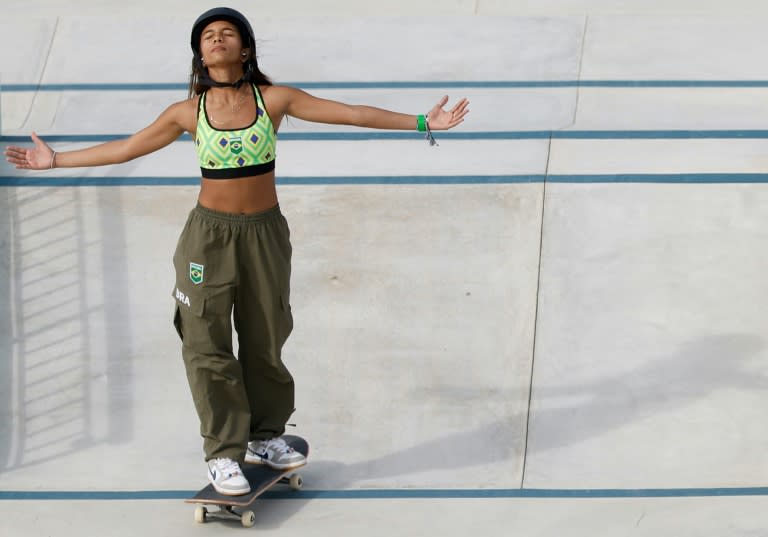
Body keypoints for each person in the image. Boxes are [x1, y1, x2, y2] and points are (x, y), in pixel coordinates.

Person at [5, 7, 470, 496]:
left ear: (245, 49)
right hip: (209, 238)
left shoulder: (274, 99)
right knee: (205, 344)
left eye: (228, 33)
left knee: (267, 334)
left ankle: (265, 436)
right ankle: (223, 454)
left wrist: (422, 121)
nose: (218, 39)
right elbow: (128, 147)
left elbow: (351, 114)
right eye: (208, 36)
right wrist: (55, 160)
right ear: (199, 55)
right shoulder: (187, 112)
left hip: (265, 234)